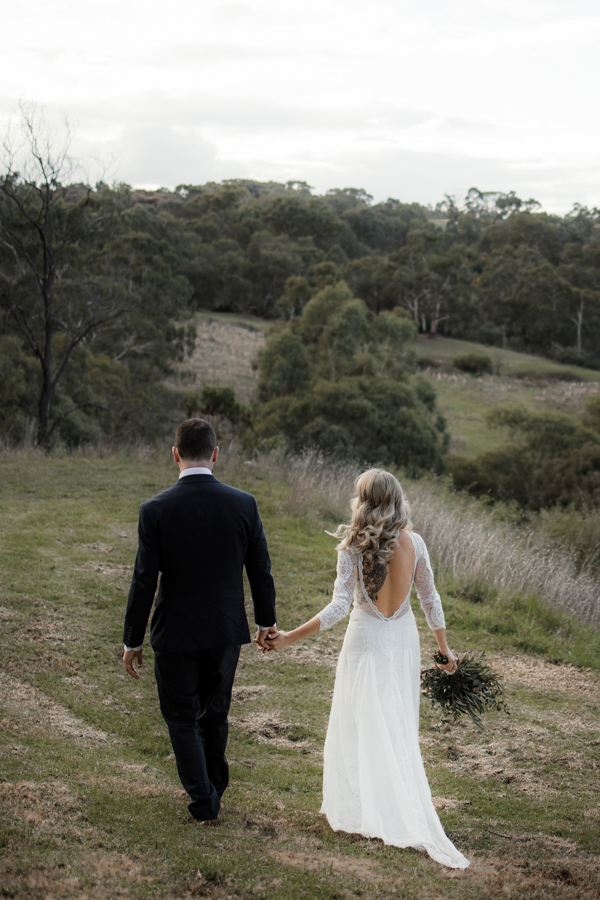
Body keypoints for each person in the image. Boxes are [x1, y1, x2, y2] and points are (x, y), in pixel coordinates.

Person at [266, 469, 469, 869]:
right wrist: (445, 650)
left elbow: (340, 606)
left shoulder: (353, 548)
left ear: (363, 500)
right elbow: (430, 599)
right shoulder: (417, 544)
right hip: (403, 639)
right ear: (396, 499)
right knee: (396, 721)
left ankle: (365, 807)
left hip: (366, 640)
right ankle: (392, 804)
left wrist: (290, 637)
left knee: (358, 722)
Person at [122, 419, 277, 826]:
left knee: (180, 716)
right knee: (215, 714)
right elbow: (260, 568)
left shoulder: (154, 509)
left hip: (175, 631)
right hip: (226, 631)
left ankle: (205, 800)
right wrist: (266, 622)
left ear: (175, 455)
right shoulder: (243, 504)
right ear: (215, 454)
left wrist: (132, 640)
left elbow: (144, 579)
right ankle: (213, 791)